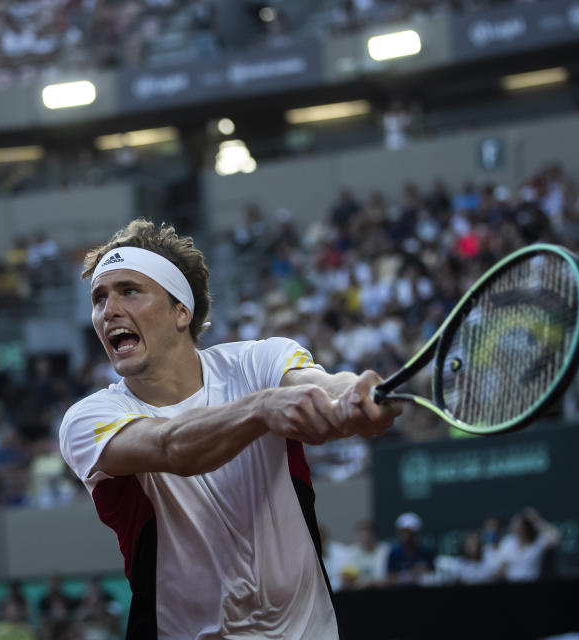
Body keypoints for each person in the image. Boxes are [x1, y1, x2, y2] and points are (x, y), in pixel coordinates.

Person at [59, 219, 401, 639]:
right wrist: (261, 410)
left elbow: (326, 387)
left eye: (129, 290)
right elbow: (171, 447)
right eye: (99, 298)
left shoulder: (260, 362)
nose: (107, 311)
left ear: (181, 311)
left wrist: (356, 395)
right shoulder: (89, 419)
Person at [385, 512, 435, 585]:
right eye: (403, 532)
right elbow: (388, 578)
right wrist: (409, 575)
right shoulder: (394, 554)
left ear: (416, 533)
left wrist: (425, 573)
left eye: (410, 533)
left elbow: (433, 575)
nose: (406, 536)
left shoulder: (426, 553)